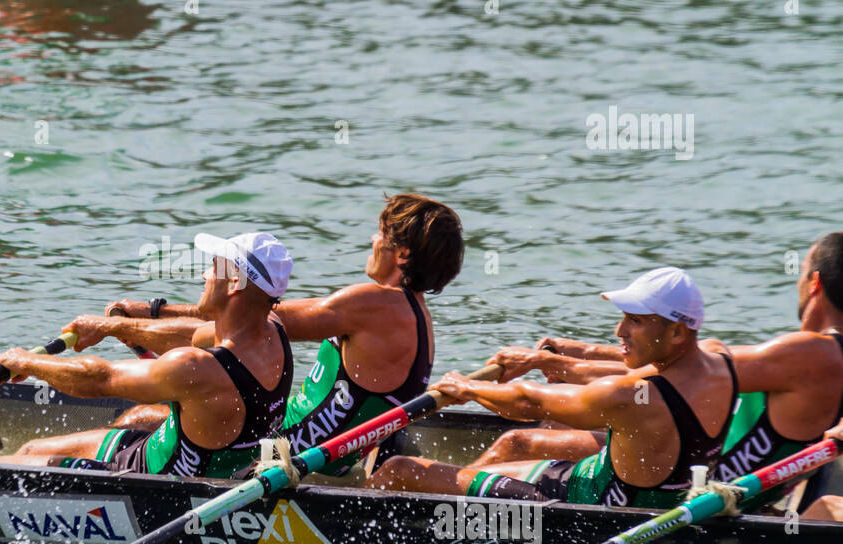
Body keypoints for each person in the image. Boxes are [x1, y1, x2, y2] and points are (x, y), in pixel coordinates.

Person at [70, 194, 464, 480]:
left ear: (403, 255)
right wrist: (145, 325)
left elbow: (251, 318)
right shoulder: (415, 315)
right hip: (313, 448)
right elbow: (248, 321)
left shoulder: (376, 304)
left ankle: (98, 480)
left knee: (139, 416)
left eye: (381, 234)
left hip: (283, 453)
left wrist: (133, 319)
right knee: (158, 414)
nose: (372, 241)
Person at [480, 234, 843, 513]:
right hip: (716, 467)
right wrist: (577, 354)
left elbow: (686, 376)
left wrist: (564, 366)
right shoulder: (826, 354)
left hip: (696, 481)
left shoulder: (813, 354)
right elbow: (686, 362)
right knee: (561, 426)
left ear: (814, 283)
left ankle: (443, 522)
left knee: (521, 442)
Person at [371, 268, 740, 508]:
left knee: (398, 469)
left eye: (637, 321)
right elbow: (638, 368)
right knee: (515, 444)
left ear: (676, 332)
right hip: (651, 496)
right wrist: (550, 362)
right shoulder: (717, 358)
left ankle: (378, 535)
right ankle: (454, 512)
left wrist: (465, 387)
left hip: (579, 505)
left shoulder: (633, 399)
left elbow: (529, 401)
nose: (620, 330)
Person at [0, 232, 294, 477]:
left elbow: (99, 379)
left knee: (26, 454)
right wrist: (111, 327)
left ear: (233, 283)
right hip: (188, 455)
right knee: (138, 417)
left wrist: (25, 362)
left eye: (215, 266)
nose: (205, 274)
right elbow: (190, 333)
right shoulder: (273, 333)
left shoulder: (195, 369)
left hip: (152, 479)